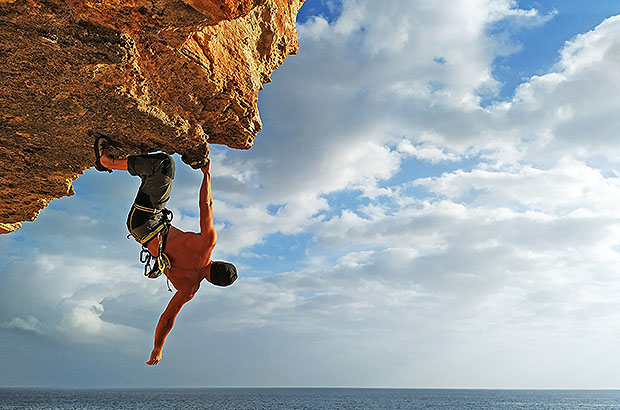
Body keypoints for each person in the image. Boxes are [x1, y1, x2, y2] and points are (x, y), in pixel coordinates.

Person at [95, 138, 237, 365]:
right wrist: (157, 348)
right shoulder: (189, 288)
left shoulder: (206, 245)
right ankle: (134, 160)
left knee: (164, 165)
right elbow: (167, 318)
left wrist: (207, 175)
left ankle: (108, 162)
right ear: (213, 283)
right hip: (142, 229)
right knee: (152, 179)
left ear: (219, 261)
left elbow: (206, 206)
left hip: (148, 221)